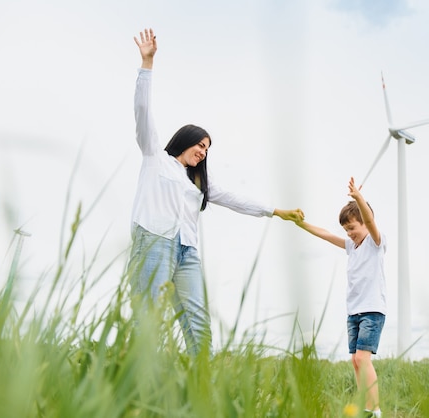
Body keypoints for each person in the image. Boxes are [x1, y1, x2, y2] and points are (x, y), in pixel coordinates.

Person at [128, 28, 304, 356]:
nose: (203, 152)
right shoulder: (156, 157)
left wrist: (276, 211)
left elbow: (236, 199)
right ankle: (137, 387)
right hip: (153, 241)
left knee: (198, 322)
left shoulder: (198, 184)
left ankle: (202, 388)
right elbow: (143, 112)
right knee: (148, 320)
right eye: (200, 144)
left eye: (207, 148)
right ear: (185, 139)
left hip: (186, 251)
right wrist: (147, 65)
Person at [295, 177, 386, 418]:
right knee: (356, 361)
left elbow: (368, 219)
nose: (349, 233)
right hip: (353, 312)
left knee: (362, 359)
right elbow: (325, 234)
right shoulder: (350, 247)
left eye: (352, 228)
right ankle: (365, 405)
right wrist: (301, 224)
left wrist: (358, 198)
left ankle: (375, 410)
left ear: (366, 224)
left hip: (372, 310)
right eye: (346, 230)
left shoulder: (375, 242)